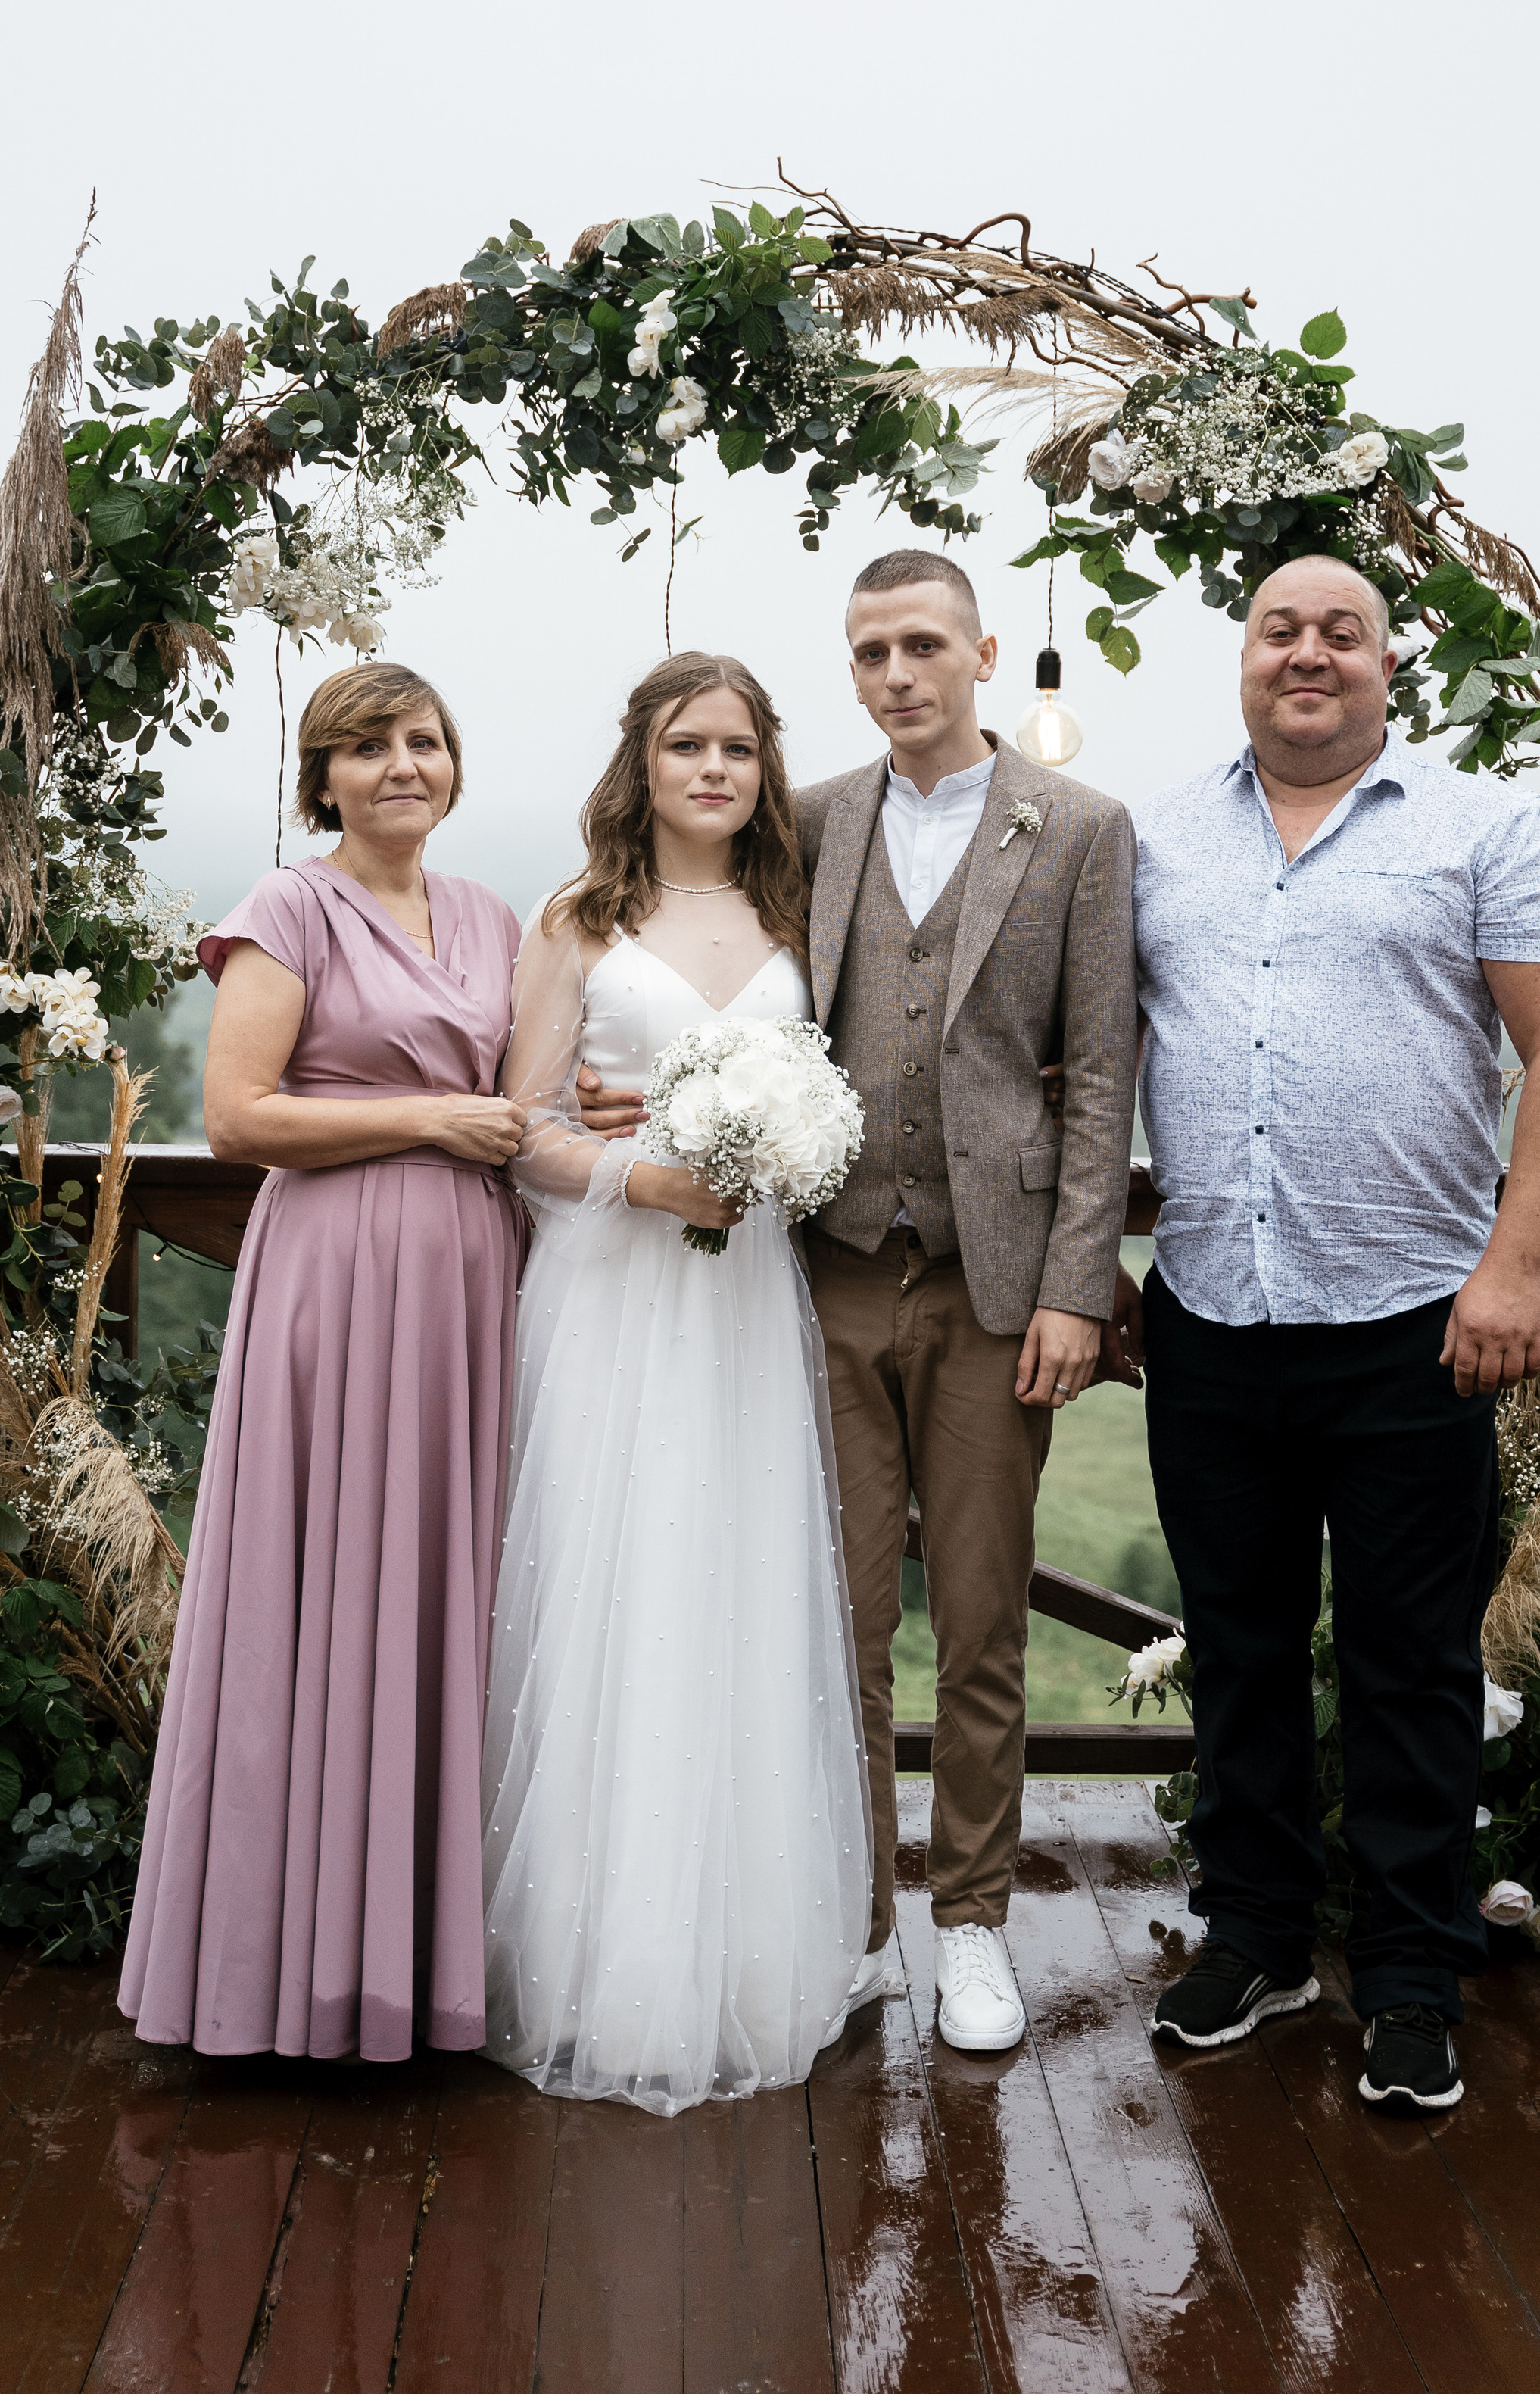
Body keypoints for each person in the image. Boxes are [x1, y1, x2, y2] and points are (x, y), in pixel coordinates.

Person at [580, 554, 1139, 2054]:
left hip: (989, 1287)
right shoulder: (812, 821)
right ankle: (845, 1920)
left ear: (978, 653)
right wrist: (627, 1107)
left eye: (918, 647)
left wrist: (1076, 1292)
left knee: (977, 1621)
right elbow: (709, 990)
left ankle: (969, 1926)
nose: (893, 673)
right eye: (866, 652)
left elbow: (1096, 1074)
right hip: (812, 1280)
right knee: (821, 1619)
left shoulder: (1078, 827)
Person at [1112, 554, 1540, 2117]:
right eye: (1280, 631)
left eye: (1340, 632)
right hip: (1205, 1313)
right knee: (1240, 1652)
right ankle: (1256, 1936)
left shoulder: (1479, 826)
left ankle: (1407, 1975)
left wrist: (1513, 1269)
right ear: (1242, 659)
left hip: (1416, 1324)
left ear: (1386, 665)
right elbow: (1085, 1055)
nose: (1308, 654)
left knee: (1409, 1667)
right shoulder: (1155, 841)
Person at [119, 662, 528, 2061]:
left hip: (469, 1286)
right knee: (316, 1592)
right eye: (369, 750)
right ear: (325, 779)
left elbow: (523, 1100)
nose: (401, 766)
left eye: (424, 739)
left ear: (452, 761)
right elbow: (237, 1118)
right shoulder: (290, 908)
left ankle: (421, 1970)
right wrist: (431, 1120)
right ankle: (280, 1978)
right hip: (334, 1280)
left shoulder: (491, 917)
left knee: (435, 1595)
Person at [480, 651, 870, 2117]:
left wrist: (769, 1153)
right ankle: (597, 1957)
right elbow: (522, 1124)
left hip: (748, 1307)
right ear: (639, 762)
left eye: (738, 749)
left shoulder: (796, 918)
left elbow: (823, 1087)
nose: (713, 770)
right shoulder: (579, 918)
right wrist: (645, 1176)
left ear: (767, 770)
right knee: (612, 1592)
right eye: (684, 745)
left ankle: (745, 1951)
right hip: (610, 1296)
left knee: (733, 1595)